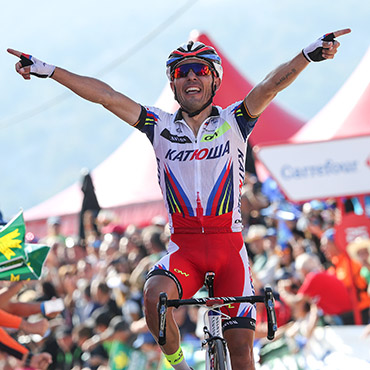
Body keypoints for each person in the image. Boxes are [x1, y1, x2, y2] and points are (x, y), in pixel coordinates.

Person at [8, 28, 351, 370]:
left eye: (200, 70)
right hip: (183, 253)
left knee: (243, 355)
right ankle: (181, 367)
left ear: (214, 81)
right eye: (181, 72)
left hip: (228, 250)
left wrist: (307, 55)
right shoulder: (159, 126)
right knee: (153, 295)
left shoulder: (235, 121)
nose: (190, 77)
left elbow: (270, 85)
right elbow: (106, 96)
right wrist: (49, 70)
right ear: (172, 85)